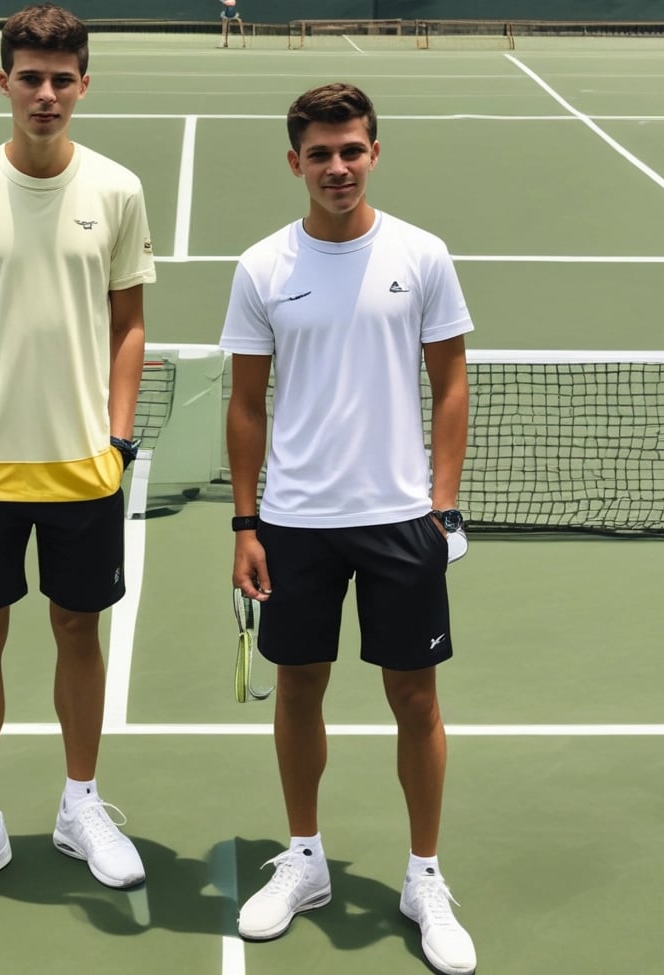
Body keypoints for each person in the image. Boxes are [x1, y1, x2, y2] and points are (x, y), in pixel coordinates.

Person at [219, 83, 477, 975]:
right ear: (295, 162)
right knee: (299, 690)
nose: (337, 166)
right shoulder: (261, 267)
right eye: (320, 153)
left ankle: (424, 875)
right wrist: (245, 521)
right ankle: (305, 859)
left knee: (417, 699)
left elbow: (451, 381)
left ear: (374, 153)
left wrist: (443, 503)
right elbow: (246, 404)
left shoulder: (423, 254)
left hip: (402, 519)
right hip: (295, 522)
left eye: (352, 150)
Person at [0, 3, 155, 920]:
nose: (45, 94)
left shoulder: (118, 190)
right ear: (3, 80)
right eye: (30, 77)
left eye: (61, 78)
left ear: (83, 83)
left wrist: (119, 438)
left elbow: (131, 323)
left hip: (84, 466)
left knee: (80, 633)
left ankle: (79, 803)